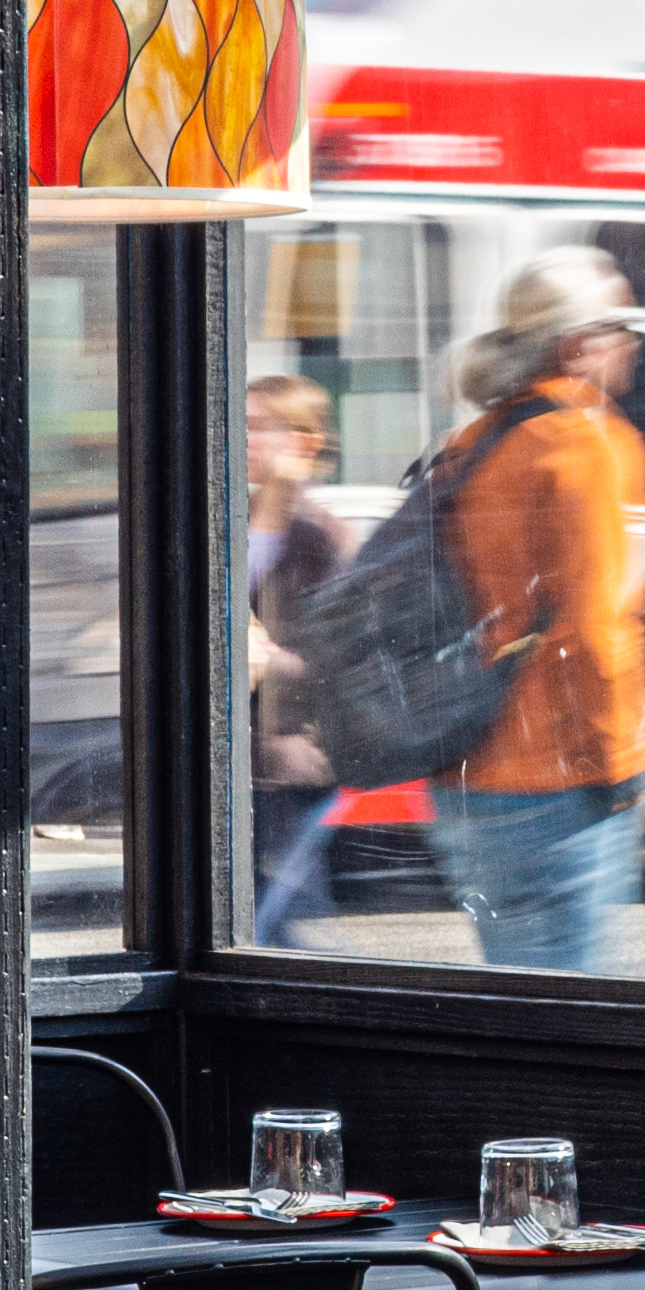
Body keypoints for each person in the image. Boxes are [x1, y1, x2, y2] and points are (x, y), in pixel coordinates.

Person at [429, 249, 645, 976]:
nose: (634, 343)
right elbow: (595, 625)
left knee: (516, 1007)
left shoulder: (477, 439)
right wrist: (618, 764)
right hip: (555, 782)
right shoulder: (585, 441)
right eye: (619, 325)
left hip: (467, 766)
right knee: (572, 1028)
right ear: (576, 345)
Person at [239, 372, 357, 943]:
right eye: (240, 426)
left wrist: (266, 659)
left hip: (292, 769)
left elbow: (343, 664)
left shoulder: (323, 539)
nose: (244, 440)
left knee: (271, 926)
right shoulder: (227, 520)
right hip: (235, 765)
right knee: (268, 923)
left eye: (261, 427)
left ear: (305, 442)